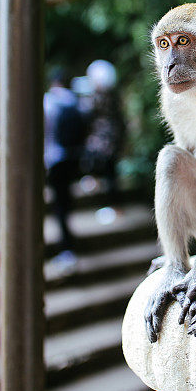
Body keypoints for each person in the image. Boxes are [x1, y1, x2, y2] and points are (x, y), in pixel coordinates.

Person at [44, 67, 86, 267]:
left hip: (54, 158)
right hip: (72, 157)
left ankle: (66, 245)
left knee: (59, 203)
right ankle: (68, 237)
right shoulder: (74, 101)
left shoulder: (48, 102)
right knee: (66, 199)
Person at [81, 60, 124, 210]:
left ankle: (112, 205)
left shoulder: (98, 97)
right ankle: (114, 206)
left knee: (107, 173)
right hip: (112, 140)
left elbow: (87, 112)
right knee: (110, 174)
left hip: (103, 141)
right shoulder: (113, 96)